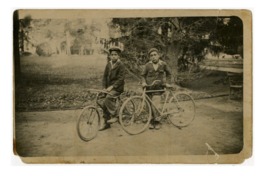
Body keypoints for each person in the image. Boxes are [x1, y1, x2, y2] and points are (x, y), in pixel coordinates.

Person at [141, 48, 172, 130]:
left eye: (155, 55)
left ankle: (157, 121)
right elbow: (143, 76)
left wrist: (167, 83)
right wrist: (143, 82)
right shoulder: (147, 65)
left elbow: (169, 74)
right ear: (149, 57)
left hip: (158, 89)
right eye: (151, 55)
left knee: (156, 105)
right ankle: (151, 121)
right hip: (149, 88)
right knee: (148, 106)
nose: (153, 57)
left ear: (158, 55)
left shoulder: (163, 64)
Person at [99, 45, 125, 131]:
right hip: (108, 88)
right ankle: (106, 123)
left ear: (118, 56)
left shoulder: (120, 65)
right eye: (112, 54)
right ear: (110, 56)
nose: (113, 56)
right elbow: (104, 76)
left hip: (117, 88)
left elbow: (121, 79)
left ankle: (115, 115)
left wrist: (112, 87)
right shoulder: (108, 64)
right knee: (101, 102)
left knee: (108, 98)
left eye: (115, 54)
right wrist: (104, 87)